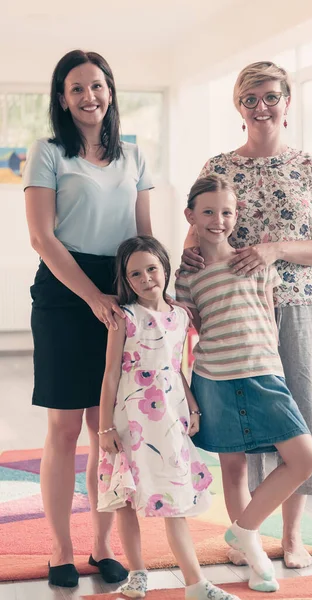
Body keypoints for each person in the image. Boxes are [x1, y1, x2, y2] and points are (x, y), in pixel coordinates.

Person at [181, 62, 312, 570]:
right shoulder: (220, 165)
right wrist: (187, 256)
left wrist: (274, 248)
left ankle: (292, 536)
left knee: (300, 418)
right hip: (231, 307)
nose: (261, 106)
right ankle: (247, 534)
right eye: (250, 98)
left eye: (271, 96)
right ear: (238, 106)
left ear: (287, 102)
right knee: (245, 426)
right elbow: (198, 227)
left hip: (297, 306)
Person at [23, 50, 154, 587]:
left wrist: (151, 295)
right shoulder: (48, 152)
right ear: (62, 98)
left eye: (96, 86)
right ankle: (59, 546)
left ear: (110, 90)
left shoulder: (134, 155)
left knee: (112, 428)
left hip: (120, 286)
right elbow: (42, 237)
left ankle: (102, 545)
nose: (88, 97)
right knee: (63, 426)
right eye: (76, 89)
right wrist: (91, 297)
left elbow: (144, 234)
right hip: (63, 290)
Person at [175, 175, 312, 593]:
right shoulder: (189, 276)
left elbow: (268, 317)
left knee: (304, 457)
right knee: (233, 468)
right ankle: (254, 561)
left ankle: (243, 530)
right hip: (215, 379)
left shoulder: (258, 263)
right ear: (191, 216)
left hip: (263, 375)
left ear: (236, 216)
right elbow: (195, 329)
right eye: (208, 212)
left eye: (226, 212)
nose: (218, 220)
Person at [97, 235, 241, 600]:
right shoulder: (124, 318)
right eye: (135, 274)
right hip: (130, 419)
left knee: (175, 498)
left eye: (151, 269)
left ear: (164, 267)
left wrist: (192, 407)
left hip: (169, 417)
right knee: (129, 499)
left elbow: (178, 367)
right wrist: (105, 427)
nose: (146, 279)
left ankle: (195, 583)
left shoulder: (180, 316)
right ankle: (137, 573)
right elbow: (111, 373)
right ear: (125, 280)